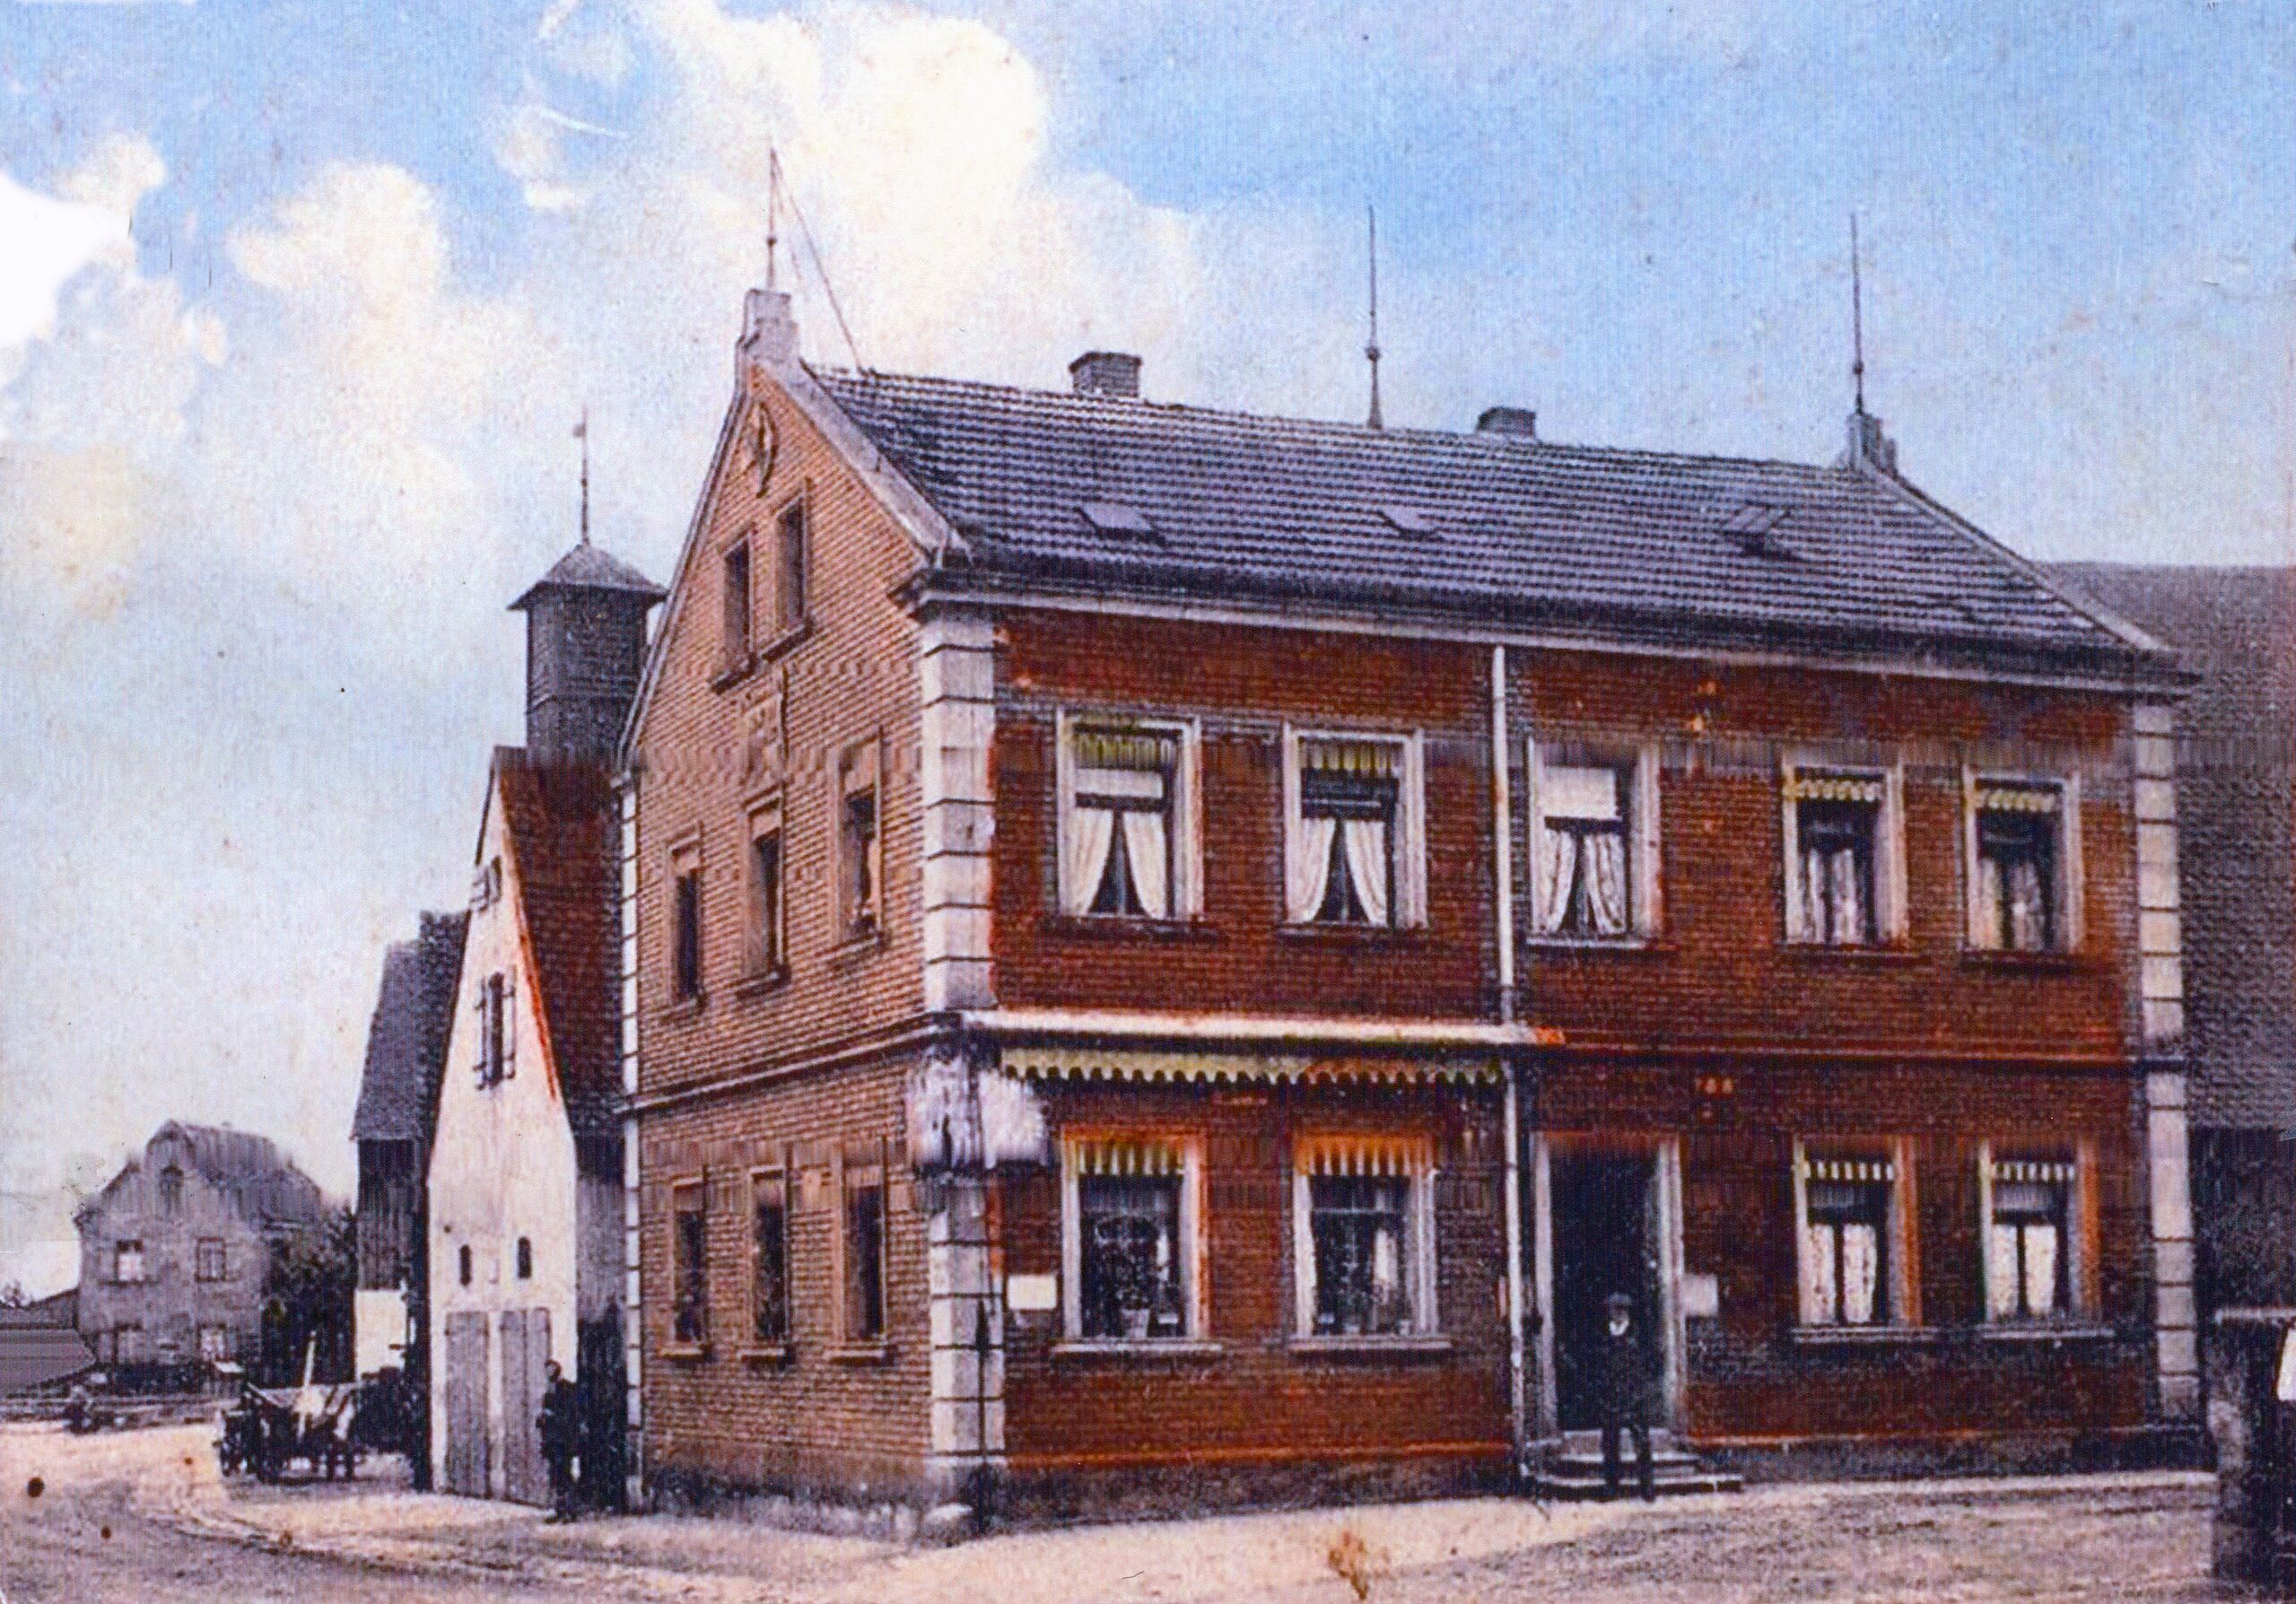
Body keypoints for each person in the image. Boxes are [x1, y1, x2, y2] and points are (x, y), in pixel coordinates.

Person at [1597, 1291, 1655, 1502]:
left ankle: (1647, 1488)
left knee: (1642, 1443)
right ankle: (1611, 1487)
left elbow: (1650, 1363)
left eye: (1623, 1310)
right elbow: (1598, 1367)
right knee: (1610, 1444)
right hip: (1611, 1398)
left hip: (1635, 1398)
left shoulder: (1639, 1335)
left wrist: (1641, 1390)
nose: (1618, 1314)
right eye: (1615, 1310)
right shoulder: (1603, 1336)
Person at [537, 1361, 581, 1522]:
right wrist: (542, 1418)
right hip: (552, 1442)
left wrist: (553, 1416)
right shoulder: (549, 1392)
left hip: (564, 1440)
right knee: (555, 1476)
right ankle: (559, 1510)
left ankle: (570, 1510)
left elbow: (571, 1416)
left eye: (551, 1370)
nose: (549, 1373)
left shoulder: (568, 1389)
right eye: (547, 1371)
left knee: (565, 1475)